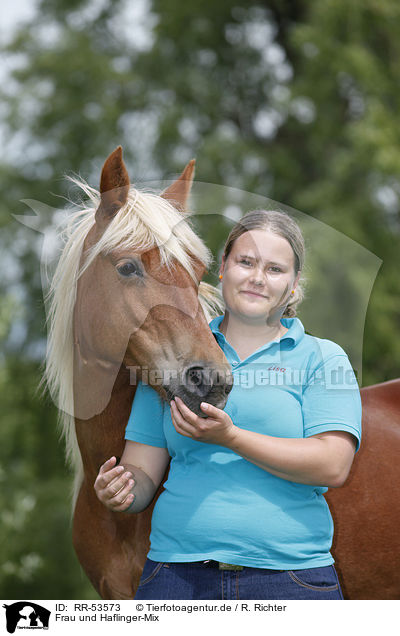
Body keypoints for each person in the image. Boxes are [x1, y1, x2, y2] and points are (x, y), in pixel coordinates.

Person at [94, 209, 361, 600]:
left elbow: (332, 464)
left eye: (274, 269)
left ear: (293, 284)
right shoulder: (174, 356)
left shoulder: (322, 357)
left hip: (291, 579)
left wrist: (232, 437)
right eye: (246, 262)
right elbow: (143, 471)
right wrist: (124, 489)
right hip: (176, 577)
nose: (257, 277)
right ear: (222, 268)